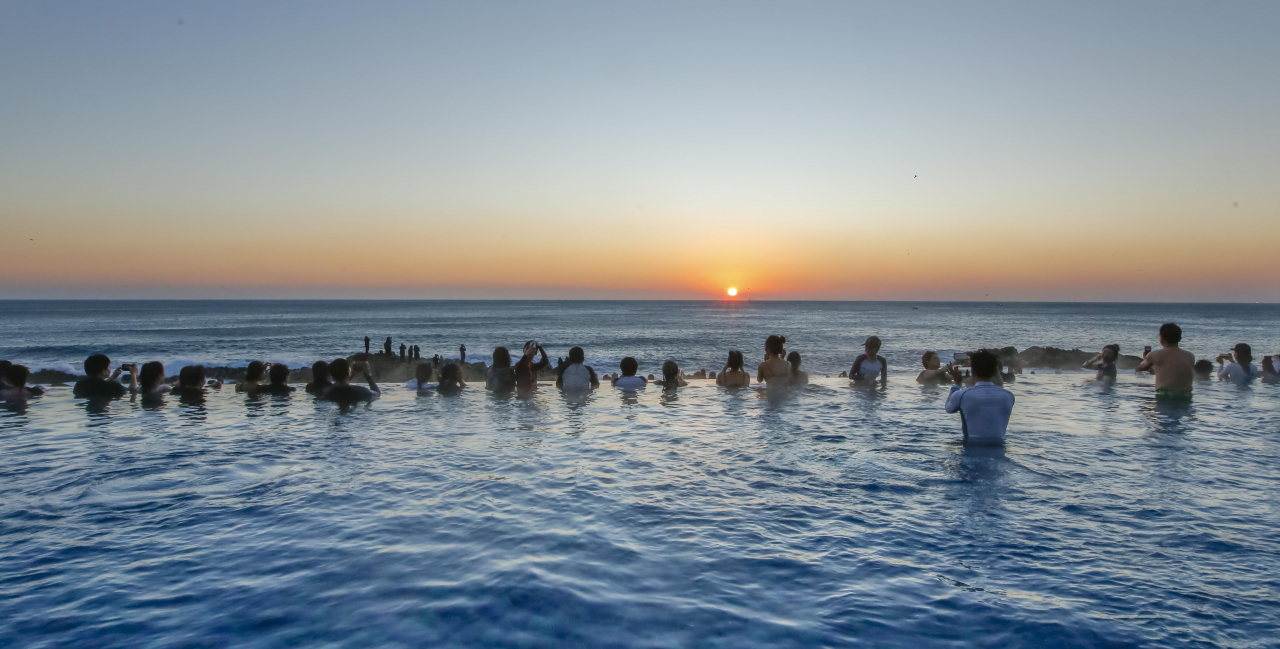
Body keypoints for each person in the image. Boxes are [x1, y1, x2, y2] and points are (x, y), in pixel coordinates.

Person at [944, 349, 1015, 443]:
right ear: (995, 371)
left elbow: (948, 409)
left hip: (971, 450)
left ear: (972, 371)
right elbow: (999, 386)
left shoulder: (962, 395)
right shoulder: (1009, 396)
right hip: (999, 451)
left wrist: (957, 384)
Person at [1135, 323, 1195, 395]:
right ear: (1180, 338)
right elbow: (1172, 372)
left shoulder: (1154, 355)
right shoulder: (1190, 356)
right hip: (1186, 396)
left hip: (1164, 396)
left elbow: (1141, 368)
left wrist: (1146, 358)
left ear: (1161, 338)